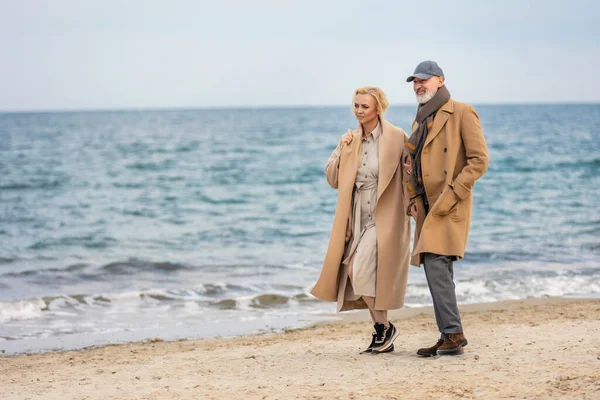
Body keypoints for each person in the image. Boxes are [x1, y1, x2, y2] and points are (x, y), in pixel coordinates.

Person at [311, 86, 411, 354]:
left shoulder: (396, 136)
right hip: (356, 216)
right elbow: (332, 179)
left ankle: (385, 327)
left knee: (357, 268)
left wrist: (415, 208)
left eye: (364, 106)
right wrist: (342, 151)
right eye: (356, 105)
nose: (358, 111)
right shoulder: (350, 139)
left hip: (386, 215)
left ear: (378, 108)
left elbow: (411, 175)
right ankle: (382, 333)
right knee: (368, 274)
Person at [403, 61, 489, 356]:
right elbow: (412, 164)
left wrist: (454, 191)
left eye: (424, 80)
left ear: (440, 80)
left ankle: (454, 334)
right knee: (437, 267)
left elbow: (479, 161)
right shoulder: (419, 121)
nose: (418, 85)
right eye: (415, 82)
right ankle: (449, 334)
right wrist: (411, 201)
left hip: (448, 203)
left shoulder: (462, 112)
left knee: (436, 265)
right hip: (426, 206)